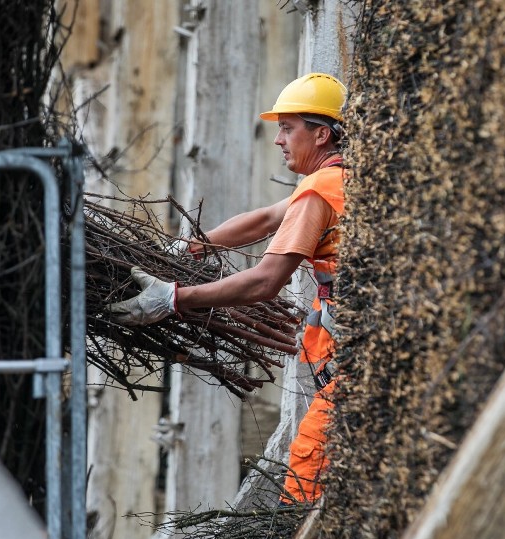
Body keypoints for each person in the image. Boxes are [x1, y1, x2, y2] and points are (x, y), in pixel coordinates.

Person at [107, 72, 347, 503]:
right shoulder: (341, 178)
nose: (278, 140)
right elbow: (264, 219)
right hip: (350, 361)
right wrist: (190, 247)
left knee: (306, 485)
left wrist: (174, 299)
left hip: (347, 372)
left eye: (288, 128)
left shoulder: (319, 193)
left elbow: (265, 280)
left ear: (323, 134)